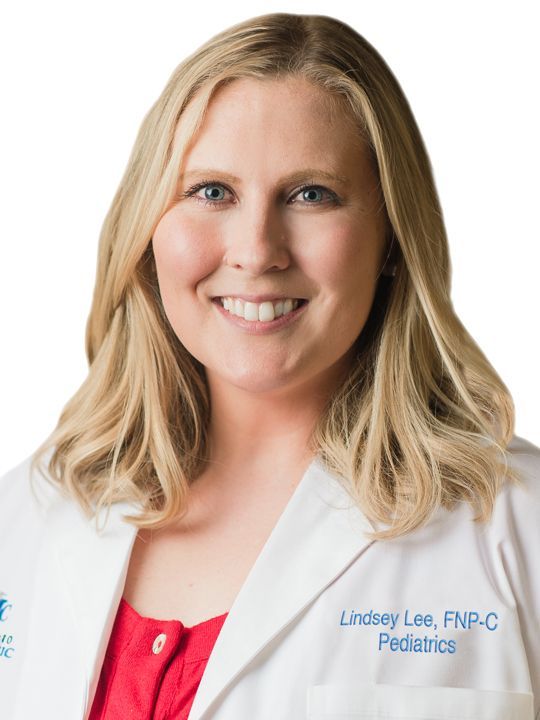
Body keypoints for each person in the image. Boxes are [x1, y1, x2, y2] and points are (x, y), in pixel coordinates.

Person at [1, 11, 539, 720]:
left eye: (310, 194)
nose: (257, 251)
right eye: (211, 191)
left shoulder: (515, 529)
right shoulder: (29, 514)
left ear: (389, 241)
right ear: (148, 227)